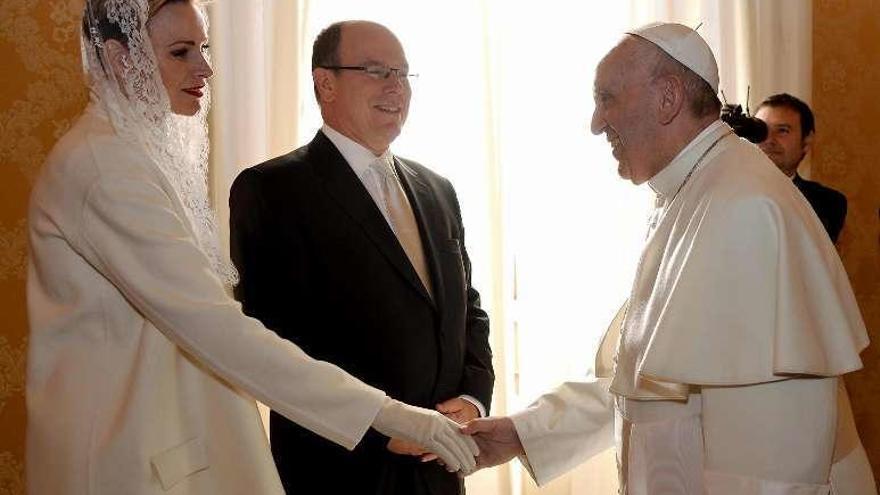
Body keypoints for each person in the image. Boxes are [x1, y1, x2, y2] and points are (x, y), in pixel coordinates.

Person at [26, 2, 479, 494]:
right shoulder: (104, 167)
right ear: (119, 57)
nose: (205, 68)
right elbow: (217, 327)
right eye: (181, 52)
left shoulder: (134, 153)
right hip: (127, 454)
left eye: (203, 48)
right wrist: (388, 415)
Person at [463, 22, 875, 494]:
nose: (596, 123)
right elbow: (652, 383)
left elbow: (772, 468)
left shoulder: (744, 208)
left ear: (667, 98)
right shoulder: (697, 189)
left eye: (606, 98)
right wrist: (524, 432)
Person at [228, 20, 494, 495]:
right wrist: (381, 425)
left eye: (403, 73)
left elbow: (468, 311)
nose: (396, 87)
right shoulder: (271, 190)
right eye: (375, 71)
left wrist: (472, 400)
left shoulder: (438, 191)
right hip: (337, 470)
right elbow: (273, 340)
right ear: (324, 82)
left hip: (439, 468)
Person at [755, 93, 848, 243]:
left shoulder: (827, 203)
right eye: (761, 130)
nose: (768, 140)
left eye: (782, 130)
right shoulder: (725, 191)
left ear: (806, 141)